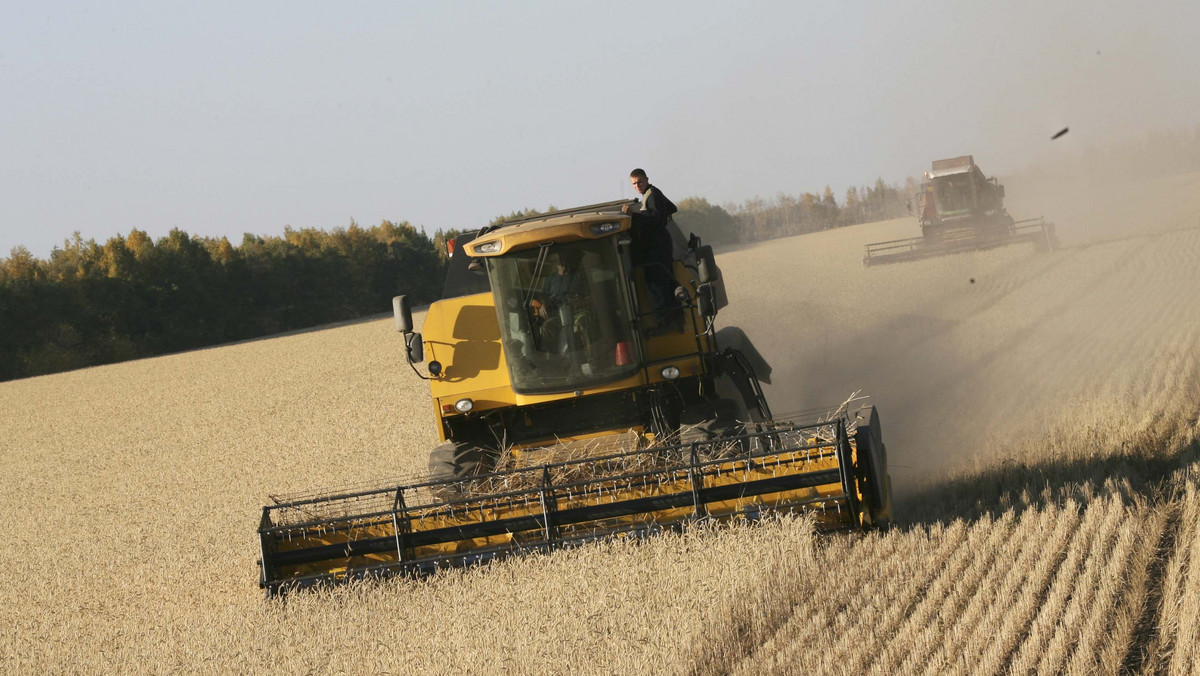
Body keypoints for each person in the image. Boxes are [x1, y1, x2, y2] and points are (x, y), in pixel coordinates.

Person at [622, 168, 683, 332]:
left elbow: (655, 218)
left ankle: (664, 323)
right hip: (660, 243)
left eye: (639, 182)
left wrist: (634, 215)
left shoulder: (653, 194)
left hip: (658, 245)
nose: (637, 186)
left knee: (657, 283)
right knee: (663, 281)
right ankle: (672, 320)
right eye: (634, 184)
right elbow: (672, 208)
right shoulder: (653, 194)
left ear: (647, 179)